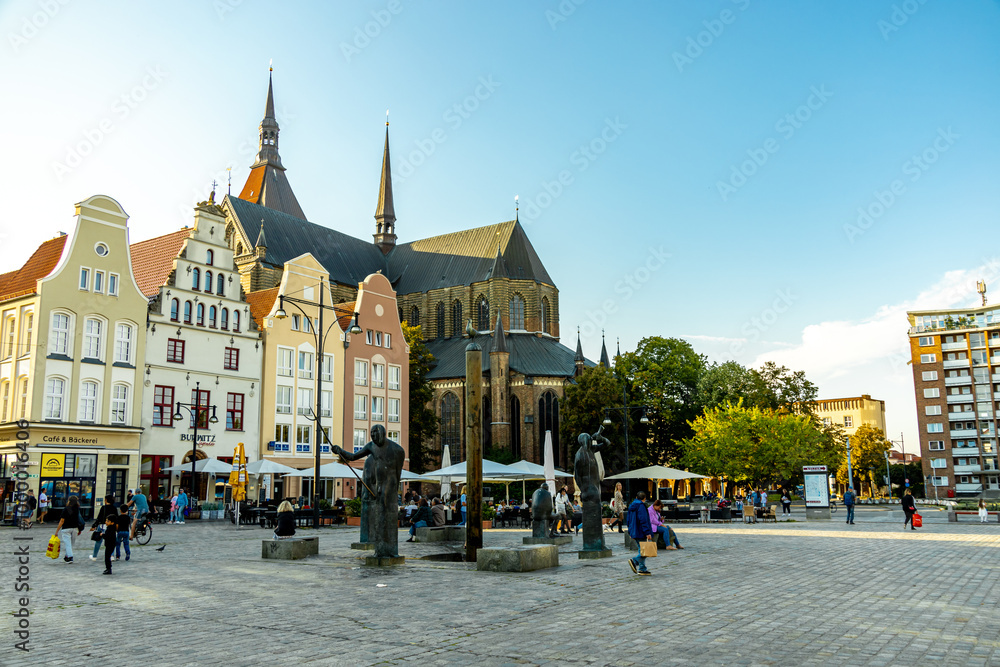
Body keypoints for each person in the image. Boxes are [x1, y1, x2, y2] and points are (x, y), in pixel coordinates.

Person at [330, 424, 405, 559]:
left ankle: (390, 550)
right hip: (379, 484)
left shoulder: (396, 449)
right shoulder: (371, 446)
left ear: (383, 433)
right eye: (371, 435)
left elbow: (398, 470)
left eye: (376, 434)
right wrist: (339, 450)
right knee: (379, 514)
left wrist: (394, 486)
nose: (373, 437)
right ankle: (381, 550)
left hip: (390, 483)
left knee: (386, 514)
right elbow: (353, 457)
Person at [626, 491, 653, 576]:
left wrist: (631, 531)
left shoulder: (631, 506)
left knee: (641, 549)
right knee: (645, 550)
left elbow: (628, 520)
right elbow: (643, 520)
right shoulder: (641, 506)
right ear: (644, 499)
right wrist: (647, 532)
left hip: (634, 531)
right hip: (641, 531)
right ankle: (635, 561)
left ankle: (642, 569)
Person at [53, 495, 83, 563]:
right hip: (75, 528)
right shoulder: (77, 509)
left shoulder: (66, 509)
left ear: (69, 501)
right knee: (71, 544)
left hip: (66, 528)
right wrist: (80, 529)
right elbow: (79, 519)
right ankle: (67, 556)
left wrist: (57, 531)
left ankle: (70, 557)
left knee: (68, 544)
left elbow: (62, 521)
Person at [90, 496, 117, 561]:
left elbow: (99, 517)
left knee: (98, 541)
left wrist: (94, 525)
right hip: (111, 526)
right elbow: (116, 518)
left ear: (106, 500)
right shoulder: (114, 508)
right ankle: (112, 555)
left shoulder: (103, 508)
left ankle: (94, 556)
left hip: (102, 525)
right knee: (111, 541)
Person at [101, 509, 118, 575]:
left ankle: (108, 569)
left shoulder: (110, 528)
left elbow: (107, 536)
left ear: (112, 522)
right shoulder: (112, 528)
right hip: (112, 544)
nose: (106, 522)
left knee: (107, 557)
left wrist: (102, 535)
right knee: (107, 556)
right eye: (106, 520)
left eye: (108, 521)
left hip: (109, 544)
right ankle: (108, 568)